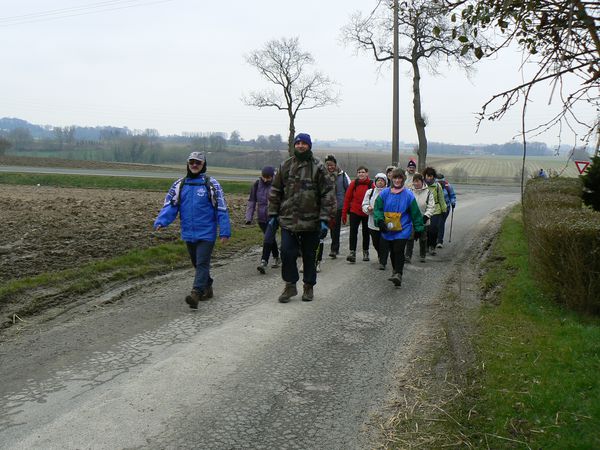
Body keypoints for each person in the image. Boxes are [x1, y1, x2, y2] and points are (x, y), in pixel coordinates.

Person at [154, 151, 231, 309]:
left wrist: (224, 231)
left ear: (203, 165)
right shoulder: (179, 185)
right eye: (191, 162)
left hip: (207, 233)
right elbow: (171, 206)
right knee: (197, 263)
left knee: (202, 262)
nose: (194, 165)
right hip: (188, 233)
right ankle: (208, 286)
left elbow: (221, 209)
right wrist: (162, 221)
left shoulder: (211, 184)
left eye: (198, 163)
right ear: (187, 164)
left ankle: (196, 293)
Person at [268, 133, 335, 303]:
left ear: (309, 146)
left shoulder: (318, 166)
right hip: (288, 220)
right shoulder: (286, 165)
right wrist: (273, 214)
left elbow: (328, 194)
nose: (300, 146)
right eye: (298, 143)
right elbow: (276, 190)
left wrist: (324, 219)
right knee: (287, 253)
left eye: (304, 143)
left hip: (311, 221)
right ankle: (290, 285)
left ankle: (308, 286)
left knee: (309, 255)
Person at [373, 168, 424, 286]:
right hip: (388, 229)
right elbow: (378, 209)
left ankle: (399, 274)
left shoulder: (408, 195)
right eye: (395, 178)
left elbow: (415, 213)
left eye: (399, 178)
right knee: (392, 252)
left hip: (403, 229)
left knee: (398, 250)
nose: (397, 180)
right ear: (391, 179)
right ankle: (395, 271)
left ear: (403, 179)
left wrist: (418, 229)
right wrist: (379, 221)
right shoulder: (384, 194)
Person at [245, 166, 280, 274]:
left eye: (268, 177)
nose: (265, 179)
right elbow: (252, 201)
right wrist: (248, 217)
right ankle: (276, 257)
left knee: (268, 238)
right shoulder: (256, 184)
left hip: (273, 217)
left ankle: (263, 262)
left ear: (272, 176)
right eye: (264, 177)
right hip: (261, 218)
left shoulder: (277, 185)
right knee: (270, 238)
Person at [342, 166, 374, 263]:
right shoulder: (353, 184)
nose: (361, 174)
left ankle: (365, 252)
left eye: (363, 172)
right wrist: (344, 213)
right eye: (359, 172)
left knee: (366, 232)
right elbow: (347, 198)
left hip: (366, 212)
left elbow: (375, 198)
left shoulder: (371, 185)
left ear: (367, 173)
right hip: (354, 211)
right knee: (353, 232)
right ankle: (352, 252)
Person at [324, 154, 351, 259]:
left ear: (335, 164)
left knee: (335, 228)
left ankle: (334, 249)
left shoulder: (343, 175)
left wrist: (347, 205)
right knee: (325, 228)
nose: (330, 167)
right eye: (328, 165)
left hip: (339, 206)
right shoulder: (323, 175)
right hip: (326, 206)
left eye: (332, 165)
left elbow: (348, 190)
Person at [361, 172, 388, 270]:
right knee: (376, 243)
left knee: (384, 242)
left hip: (384, 223)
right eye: (378, 180)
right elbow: (364, 204)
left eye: (382, 181)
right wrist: (368, 208)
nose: (380, 182)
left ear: (385, 182)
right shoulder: (370, 192)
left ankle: (383, 261)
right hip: (372, 223)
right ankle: (381, 255)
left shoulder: (389, 192)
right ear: (375, 182)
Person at [406, 173, 435, 263]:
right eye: (414, 181)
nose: (416, 183)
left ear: (422, 182)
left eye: (418, 181)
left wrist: (426, 216)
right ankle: (407, 256)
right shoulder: (409, 192)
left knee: (423, 238)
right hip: (411, 220)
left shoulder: (429, 193)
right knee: (410, 238)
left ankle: (422, 255)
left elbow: (431, 206)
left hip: (423, 220)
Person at [422, 167, 447, 256]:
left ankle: (432, 246)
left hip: (436, 210)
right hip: (425, 210)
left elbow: (441, 198)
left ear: (433, 177)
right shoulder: (422, 186)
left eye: (431, 176)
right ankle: (426, 246)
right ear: (425, 176)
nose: (429, 178)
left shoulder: (437, 186)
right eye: (427, 176)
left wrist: (444, 209)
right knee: (426, 230)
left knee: (433, 229)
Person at [435, 173, 456, 248]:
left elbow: (452, 195)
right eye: (438, 182)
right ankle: (434, 239)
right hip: (435, 208)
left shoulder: (448, 186)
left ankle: (439, 241)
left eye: (442, 182)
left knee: (441, 223)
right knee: (434, 224)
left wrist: (453, 202)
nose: (440, 183)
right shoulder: (433, 186)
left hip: (446, 208)